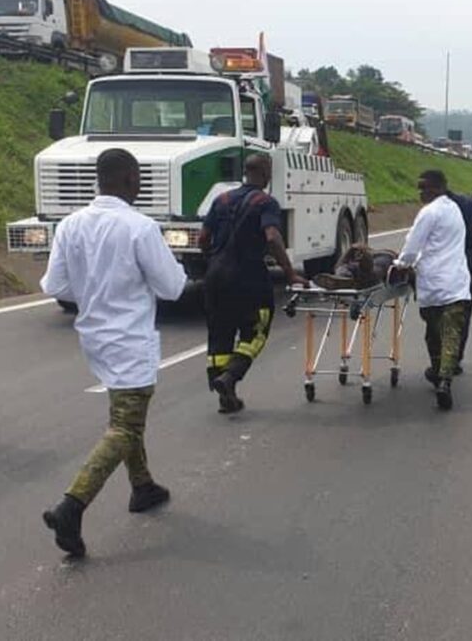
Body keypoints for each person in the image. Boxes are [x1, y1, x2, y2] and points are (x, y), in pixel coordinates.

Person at [40, 148, 187, 558]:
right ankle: (71, 506)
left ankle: (143, 487)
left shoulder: (70, 225)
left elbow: (55, 285)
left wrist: (94, 293)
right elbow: (172, 287)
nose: (139, 185)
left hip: (94, 336)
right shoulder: (139, 227)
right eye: (138, 178)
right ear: (128, 180)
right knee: (124, 426)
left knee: (123, 414)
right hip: (130, 339)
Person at [199, 154, 306, 414]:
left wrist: (214, 260)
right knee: (256, 331)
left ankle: (226, 397)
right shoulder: (266, 202)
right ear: (266, 173)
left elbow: (203, 238)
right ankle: (230, 377)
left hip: (215, 277)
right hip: (248, 277)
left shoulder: (221, 199)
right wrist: (290, 273)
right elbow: (271, 236)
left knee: (220, 336)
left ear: (245, 173)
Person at [395, 170, 471, 410]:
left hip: (434, 284)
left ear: (438, 188)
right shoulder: (454, 210)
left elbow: (411, 247)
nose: (420, 193)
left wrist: (400, 266)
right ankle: (444, 380)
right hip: (457, 284)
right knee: (451, 335)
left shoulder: (429, 212)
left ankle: (439, 375)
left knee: (433, 334)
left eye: (424, 188)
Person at [444, 176, 472, 375]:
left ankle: (441, 359)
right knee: (463, 312)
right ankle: (455, 358)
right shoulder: (469, 204)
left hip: (441, 267)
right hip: (467, 264)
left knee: (438, 312)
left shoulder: (433, 210)